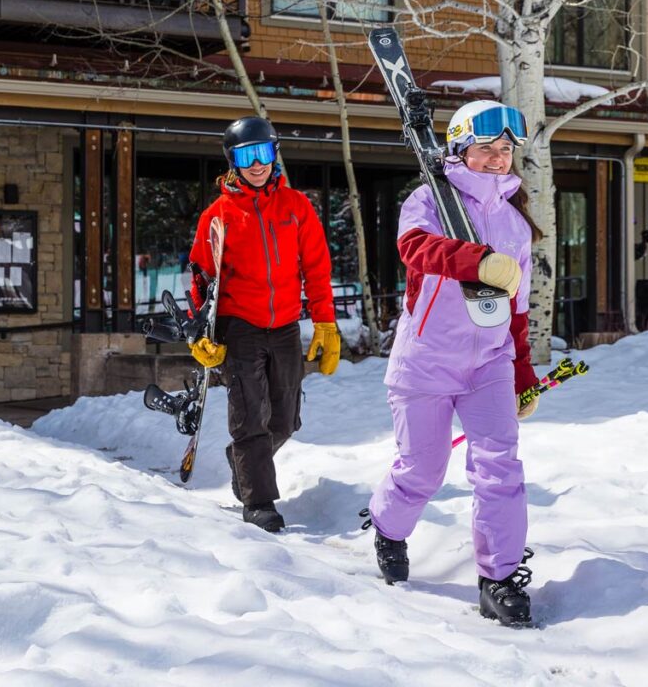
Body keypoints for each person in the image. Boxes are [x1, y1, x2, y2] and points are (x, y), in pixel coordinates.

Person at [367, 100, 544, 626]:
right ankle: (387, 526)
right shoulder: (428, 199)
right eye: (486, 149)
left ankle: (500, 577)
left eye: (506, 150)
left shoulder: (516, 224)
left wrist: (523, 373)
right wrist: (478, 261)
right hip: (424, 362)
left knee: (500, 470)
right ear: (461, 149)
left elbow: (517, 308)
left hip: (488, 363)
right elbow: (415, 248)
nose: (497, 160)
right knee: (422, 469)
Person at [187, 116, 340, 533]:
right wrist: (201, 330)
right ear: (233, 162)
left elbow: (316, 266)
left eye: (265, 154)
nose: (258, 165)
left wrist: (325, 322)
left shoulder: (296, 207)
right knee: (250, 415)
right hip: (241, 327)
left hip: (286, 325)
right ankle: (259, 500)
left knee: (285, 418)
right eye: (246, 156)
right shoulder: (218, 215)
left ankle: (243, 461)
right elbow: (202, 277)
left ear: (275, 155)